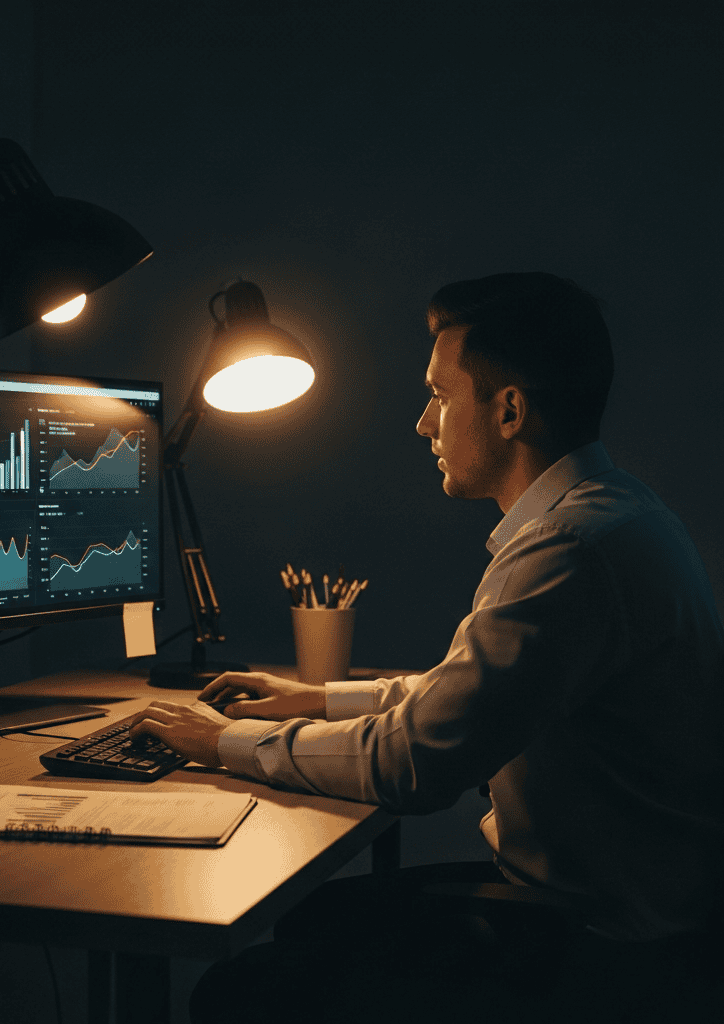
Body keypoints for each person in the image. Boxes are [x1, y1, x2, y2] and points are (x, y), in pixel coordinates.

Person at [130, 272, 723, 1022]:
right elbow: (467, 694)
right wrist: (318, 697)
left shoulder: (569, 551)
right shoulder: (612, 516)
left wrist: (225, 745)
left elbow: (413, 763)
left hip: (606, 941)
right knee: (316, 918)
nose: (422, 423)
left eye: (441, 397)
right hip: (628, 903)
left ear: (508, 410)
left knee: (241, 991)